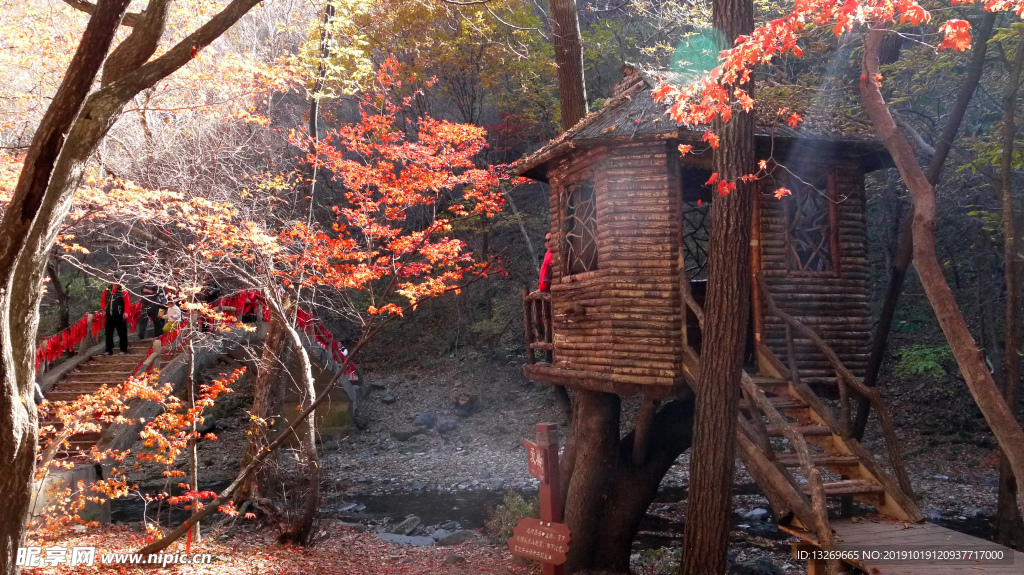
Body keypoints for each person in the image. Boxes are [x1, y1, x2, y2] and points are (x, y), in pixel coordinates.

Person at [101, 281, 130, 355]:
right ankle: (108, 350)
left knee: (122, 333)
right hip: (109, 315)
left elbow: (127, 302)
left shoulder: (123, 290)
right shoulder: (107, 290)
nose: (117, 283)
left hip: (120, 315)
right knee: (108, 333)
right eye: (115, 281)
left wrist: (126, 312)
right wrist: (105, 309)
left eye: (118, 281)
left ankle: (123, 350)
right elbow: (103, 301)